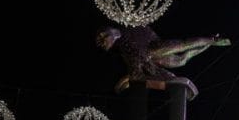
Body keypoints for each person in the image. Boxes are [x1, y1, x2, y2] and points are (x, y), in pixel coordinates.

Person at [96, 25, 230, 89]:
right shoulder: (123, 47)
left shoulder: (127, 31)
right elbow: (135, 71)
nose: (101, 42)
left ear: (110, 32)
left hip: (154, 47)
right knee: (181, 60)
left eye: (102, 37)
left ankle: (212, 39)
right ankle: (210, 43)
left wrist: (129, 78)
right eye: (100, 41)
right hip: (152, 58)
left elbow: (145, 34)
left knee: (182, 45)